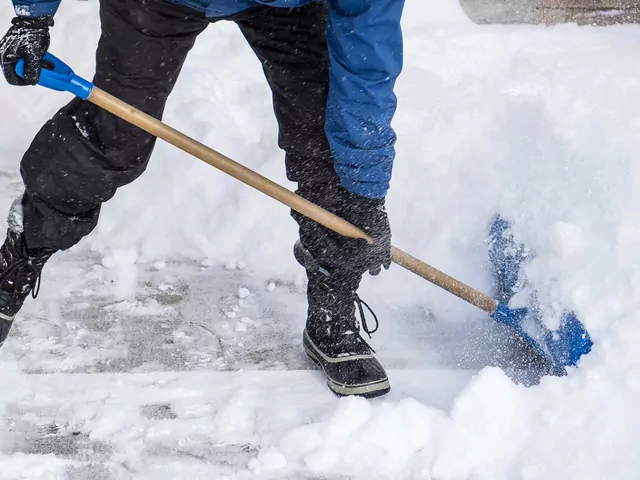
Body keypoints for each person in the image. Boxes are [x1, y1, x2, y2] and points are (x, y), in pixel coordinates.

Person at [0, 0, 404, 398]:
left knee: (327, 142)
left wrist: (364, 195)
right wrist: (33, 15)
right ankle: (23, 250)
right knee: (114, 134)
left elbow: (366, 61)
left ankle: (332, 311)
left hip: (287, 5)